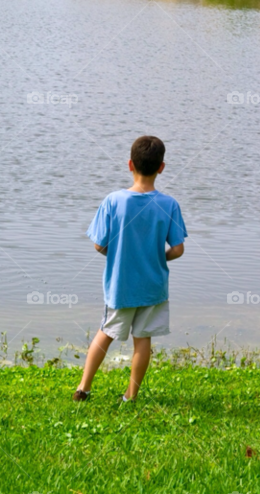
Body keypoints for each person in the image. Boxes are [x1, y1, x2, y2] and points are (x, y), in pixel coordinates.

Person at [73, 135, 187, 402]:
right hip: (153, 285)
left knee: (106, 332)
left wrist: (122, 255)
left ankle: (84, 388)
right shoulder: (169, 204)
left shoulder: (113, 200)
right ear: (161, 167)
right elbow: (178, 250)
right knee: (143, 338)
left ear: (129, 165)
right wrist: (154, 258)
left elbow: (99, 246)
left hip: (120, 285)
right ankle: (130, 396)